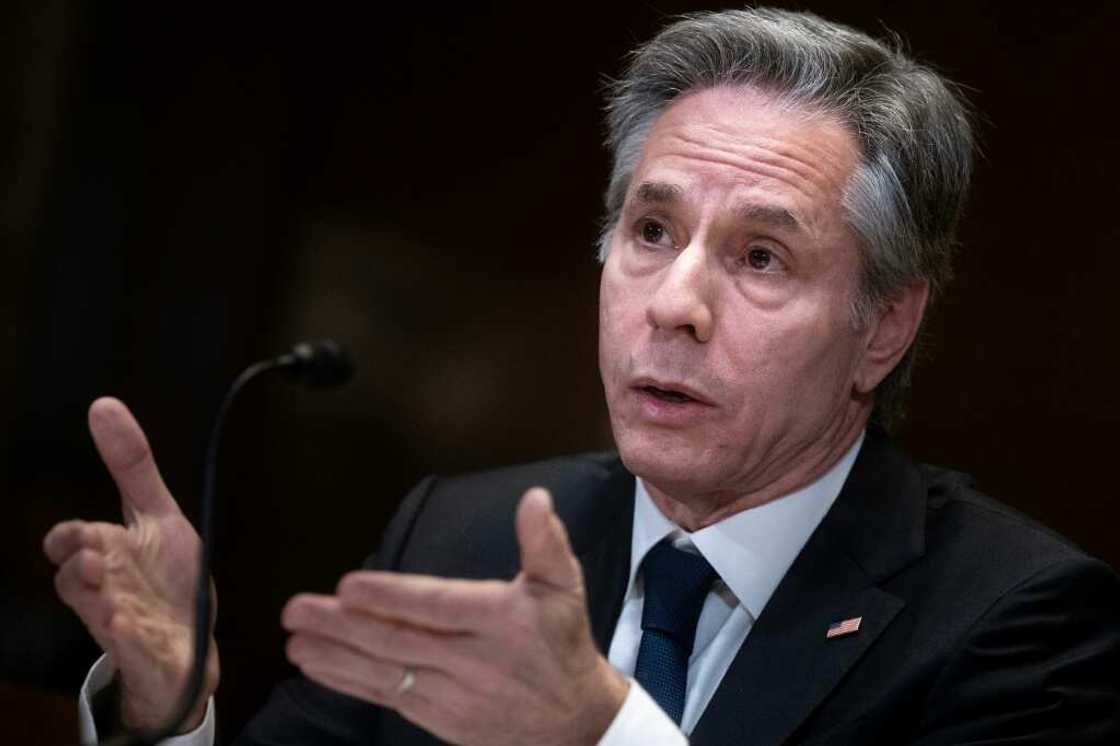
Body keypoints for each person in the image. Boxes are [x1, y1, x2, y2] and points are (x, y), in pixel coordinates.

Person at [44, 7, 1120, 745]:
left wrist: (604, 729)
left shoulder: (1018, 625)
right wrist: (172, 701)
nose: (673, 302)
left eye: (759, 255)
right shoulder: (462, 537)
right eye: (651, 229)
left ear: (881, 328)